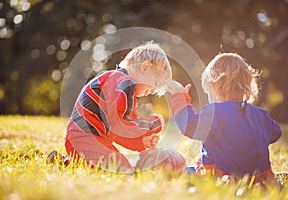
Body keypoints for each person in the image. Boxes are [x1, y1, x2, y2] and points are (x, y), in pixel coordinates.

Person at [48, 42, 172, 171]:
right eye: (156, 83)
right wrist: (151, 124)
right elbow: (122, 122)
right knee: (120, 167)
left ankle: (63, 163)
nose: (154, 90)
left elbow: (118, 131)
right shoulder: (122, 84)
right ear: (146, 67)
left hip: (85, 138)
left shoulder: (118, 84)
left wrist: (141, 142)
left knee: (111, 164)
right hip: (87, 137)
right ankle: (68, 162)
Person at [167, 52, 282, 183]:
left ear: (215, 86)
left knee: (182, 173)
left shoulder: (214, 113)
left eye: (208, 92)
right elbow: (275, 133)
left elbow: (190, 126)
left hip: (221, 176)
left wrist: (179, 98)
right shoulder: (262, 115)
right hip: (259, 178)